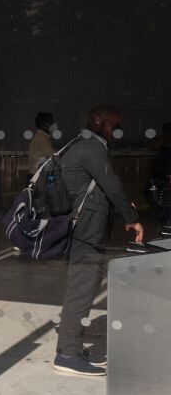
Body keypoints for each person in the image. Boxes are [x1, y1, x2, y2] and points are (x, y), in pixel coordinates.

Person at [54, 105, 143, 377]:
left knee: (84, 285)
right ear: (99, 121)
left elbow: (95, 186)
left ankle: (73, 348)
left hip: (83, 227)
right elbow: (111, 183)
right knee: (82, 286)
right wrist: (132, 217)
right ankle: (67, 354)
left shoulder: (78, 144)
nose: (116, 131)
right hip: (87, 229)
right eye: (114, 125)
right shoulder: (92, 146)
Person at [27, 112, 56, 177]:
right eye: (51, 122)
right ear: (44, 124)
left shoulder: (42, 137)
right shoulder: (41, 138)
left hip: (37, 174)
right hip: (37, 176)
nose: (54, 125)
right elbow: (53, 155)